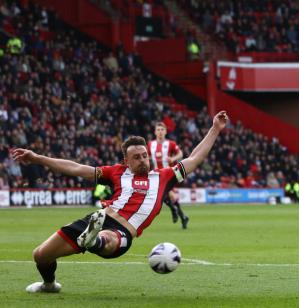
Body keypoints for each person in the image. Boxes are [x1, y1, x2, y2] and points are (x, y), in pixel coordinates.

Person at [12, 111, 229, 293]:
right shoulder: (116, 172)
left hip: (122, 231)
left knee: (108, 239)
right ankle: (49, 284)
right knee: (40, 255)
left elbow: (194, 158)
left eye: (145, 155)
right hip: (98, 218)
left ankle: (93, 239)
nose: (143, 160)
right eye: (137, 157)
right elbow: (77, 168)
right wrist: (38, 158)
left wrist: (215, 129)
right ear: (126, 161)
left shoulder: (164, 177)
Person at [147, 122, 189, 229]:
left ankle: (175, 211)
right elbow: (146, 157)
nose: (160, 132)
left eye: (162, 130)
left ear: (165, 132)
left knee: (167, 194)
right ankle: (181, 215)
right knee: (164, 195)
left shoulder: (170, 144)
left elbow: (180, 154)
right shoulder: (150, 145)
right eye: (158, 130)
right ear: (155, 132)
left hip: (171, 173)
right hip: (157, 174)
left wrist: (173, 159)